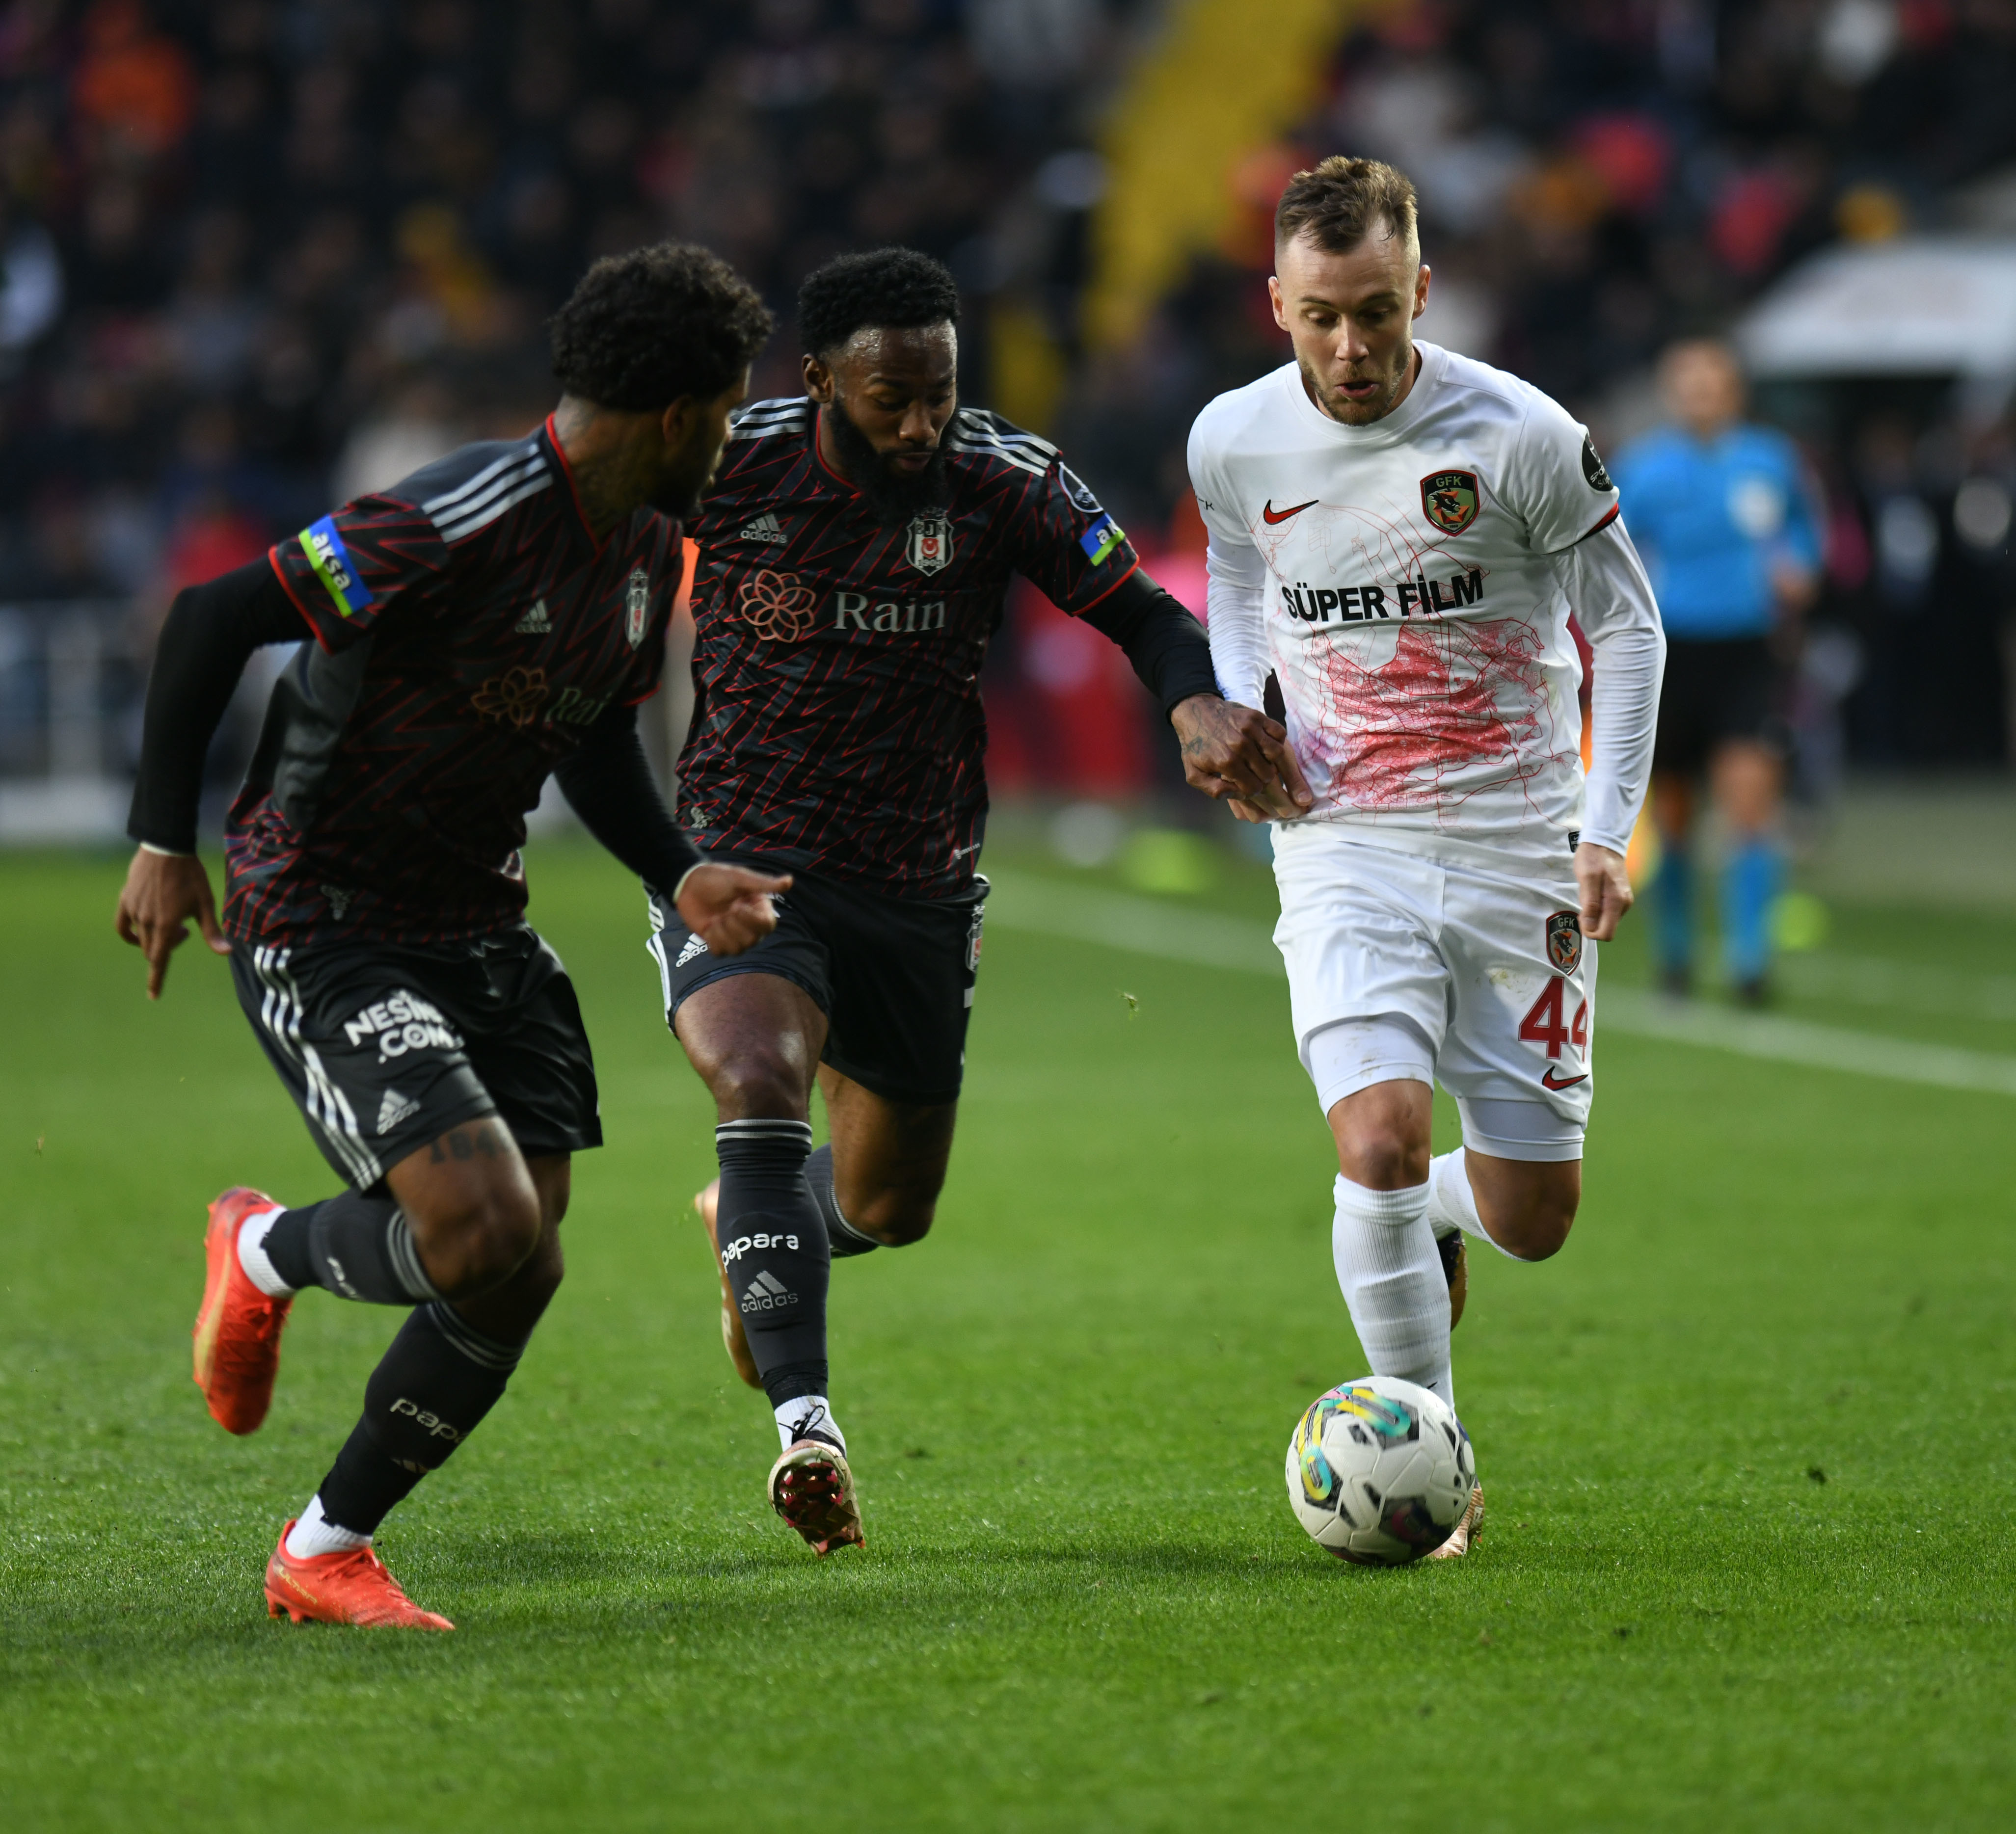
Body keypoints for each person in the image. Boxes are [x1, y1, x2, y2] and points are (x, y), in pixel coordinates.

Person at [113, 244, 787, 1630]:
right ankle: (262, 1255)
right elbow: (214, 618)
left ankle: (324, 1542)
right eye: (724, 412)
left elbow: (592, 729)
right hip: (327, 913)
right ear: (673, 415)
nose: (730, 439)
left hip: (480, 922)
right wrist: (164, 838)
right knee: (481, 1230)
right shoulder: (457, 515)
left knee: (523, 1255)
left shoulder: (649, 547)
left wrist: (677, 873)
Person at [651, 247, 1303, 1554]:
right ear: (822, 377)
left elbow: (1145, 613)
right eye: (890, 396)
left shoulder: (1003, 477)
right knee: (759, 1087)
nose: (918, 422)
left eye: (938, 393)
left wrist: (1190, 703)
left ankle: (751, 1224)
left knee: (891, 1206)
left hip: (918, 880)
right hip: (745, 857)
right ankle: (807, 1432)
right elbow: (581, 541)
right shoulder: (728, 464)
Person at [1187, 157, 1665, 1558]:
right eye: (1321, 315)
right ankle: (1428, 1470)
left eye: (1378, 313)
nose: (1350, 348)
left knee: (1534, 1216)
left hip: (1521, 850)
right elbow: (1231, 571)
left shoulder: (1519, 434)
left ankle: (1443, 1214)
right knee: (1378, 1138)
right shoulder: (1232, 439)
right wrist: (1239, 703)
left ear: (1422, 294)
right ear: (1275, 301)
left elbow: (1624, 632)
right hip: (1340, 842)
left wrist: (1600, 830)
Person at [1612, 340, 1821, 1003]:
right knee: (1675, 812)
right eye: (1689, 382)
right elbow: (1606, 547)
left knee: (1750, 797)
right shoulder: (1643, 468)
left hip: (1747, 650)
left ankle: (1748, 959)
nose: (1702, 393)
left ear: (1734, 390)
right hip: (1673, 653)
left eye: (1714, 381)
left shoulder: (1770, 459)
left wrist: (1799, 571)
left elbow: (1809, 532)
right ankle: (1676, 953)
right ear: (1672, 391)